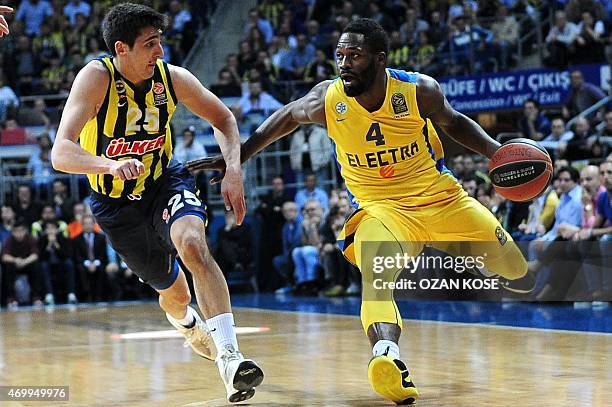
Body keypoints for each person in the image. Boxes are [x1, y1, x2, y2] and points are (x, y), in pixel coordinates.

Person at [187, 18, 533, 405]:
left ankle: (480, 263)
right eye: (340, 55)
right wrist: (236, 159)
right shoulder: (328, 99)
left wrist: (497, 153)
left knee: (516, 270)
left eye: (355, 55)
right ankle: (387, 357)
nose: (344, 63)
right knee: (377, 274)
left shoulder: (419, 90)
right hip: (379, 210)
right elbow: (285, 116)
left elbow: (454, 123)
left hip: (442, 199)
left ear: (380, 60)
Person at [50, 3, 262, 403]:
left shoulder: (173, 79)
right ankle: (187, 324)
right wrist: (108, 165)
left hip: (165, 181)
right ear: (122, 48)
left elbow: (225, 120)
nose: (160, 53)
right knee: (176, 294)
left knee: (194, 245)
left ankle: (230, 358)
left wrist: (234, 170)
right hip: (116, 207)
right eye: (150, 45)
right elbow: (60, 153)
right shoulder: (96, 78)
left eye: (160, 42)